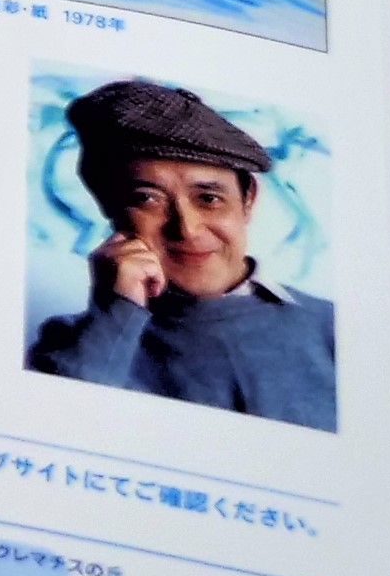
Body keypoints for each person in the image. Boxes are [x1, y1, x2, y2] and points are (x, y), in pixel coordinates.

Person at [25, 80, 333, 431]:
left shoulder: (330, 327)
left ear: (247, 200)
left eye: (209, 198)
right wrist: (116, 314)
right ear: (110, 207)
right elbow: (56, 429)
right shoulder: (79, 342)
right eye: (147, 199)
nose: (186, 229)